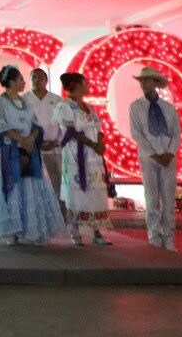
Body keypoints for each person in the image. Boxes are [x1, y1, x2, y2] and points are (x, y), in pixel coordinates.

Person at [0, 66, 65, 245]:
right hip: (11, 149)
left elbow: (36, 124)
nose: (23, 82)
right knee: (12, 187)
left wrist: (30, 138)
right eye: (21, 79)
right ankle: (12, 230)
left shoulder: (25, 102)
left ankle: (33, 229)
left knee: (32, 187)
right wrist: (21, 139)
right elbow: (1, 125)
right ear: (12, 82)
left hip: (29, 149)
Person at [54, 73, 112, 245]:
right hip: (75, 154)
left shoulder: (89, 108)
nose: (88, 85)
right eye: (84, 83)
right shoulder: (65, 107)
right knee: (76, 189)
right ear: (76, 85)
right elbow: (71, 132)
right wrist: (92, 144)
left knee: (95, 189)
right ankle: (75, 231)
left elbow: (98, 128)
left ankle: (96, 231)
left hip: (93, 156)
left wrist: (100, 143)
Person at [128, 67, 181, 251]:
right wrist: (154, 153)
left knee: (168, 200)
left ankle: (169, 238)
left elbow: (176, 133)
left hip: (168, 156)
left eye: (147, 80)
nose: (143, 84)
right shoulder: (136, 106)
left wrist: (169, 152)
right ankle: (154, 238)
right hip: (149, 157)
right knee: (151, 199)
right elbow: (137, 134)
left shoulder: (168, 107)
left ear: (156, 83)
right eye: (141, 81)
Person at [21, 68, 65, 220]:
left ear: (46, 80)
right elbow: (22, 124)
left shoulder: (57, 100)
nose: (37, 80)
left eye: (40, 77)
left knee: (57, 183)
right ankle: (37, 218)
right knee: (34, 185)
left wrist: (56, 142)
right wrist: (35, 142)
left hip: (53, 148)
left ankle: (59, 218)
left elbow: (64, 125)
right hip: (32, 148)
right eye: (33, 77)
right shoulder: (23, 99)